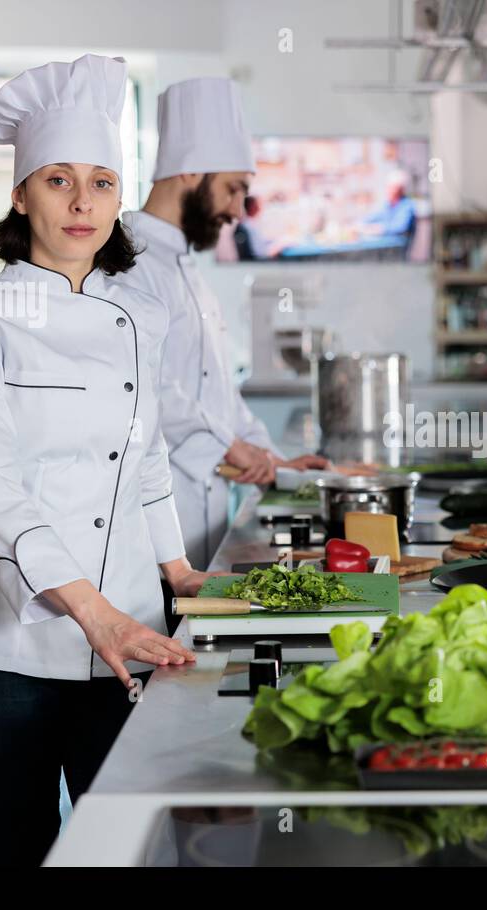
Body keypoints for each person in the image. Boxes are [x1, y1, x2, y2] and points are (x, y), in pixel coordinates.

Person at [0, 54, 214, 866]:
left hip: (128, 636)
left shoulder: (140, 315)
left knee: (123, 849)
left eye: (103, 182)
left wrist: (179, 572)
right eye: (57, 180)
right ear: (20, 194)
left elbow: (145, 458)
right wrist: (95, 612)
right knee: (19, 854)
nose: (84, 203)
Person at [120, 77, 327, 570]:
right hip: (152, 528)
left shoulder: (189, 269)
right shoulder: (127, 262)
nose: (238, 211)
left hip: (205, 519)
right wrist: (230, 448)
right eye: (234, 190)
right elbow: (146, 386)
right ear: (190, 172)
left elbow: (219, 397)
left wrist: (272, 459)